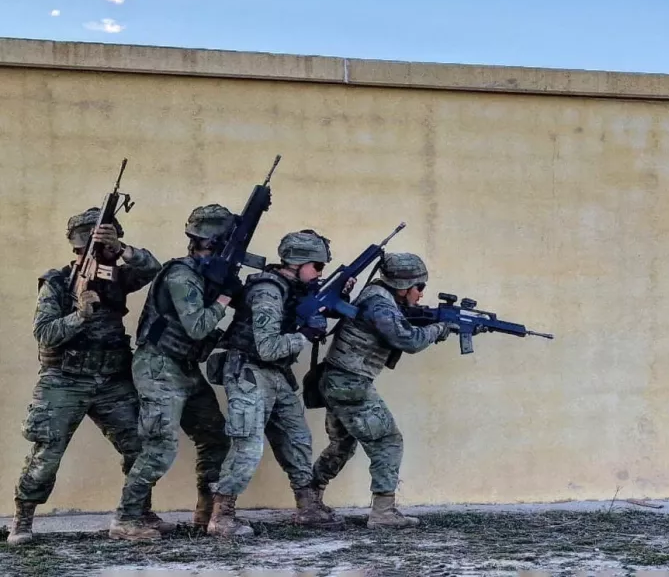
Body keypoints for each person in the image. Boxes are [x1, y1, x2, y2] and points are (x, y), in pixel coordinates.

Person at [8, 208, 167, 545]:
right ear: (79, 249)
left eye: (109, 247)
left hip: (111, 379)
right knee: (47, 453)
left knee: (140, 446)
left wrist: (124, 249)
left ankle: (138, 511)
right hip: (64, 380)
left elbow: (153, 269)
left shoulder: (118, 276)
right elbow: (44, 334)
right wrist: (78, 316)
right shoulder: (58, 283)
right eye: (95, 248)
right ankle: (22, 519)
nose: (102, 254)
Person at [207, 229, 349, 536]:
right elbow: (267, 346)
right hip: (249, 370)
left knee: (297, 438)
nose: (320, 272)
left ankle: (308, 506)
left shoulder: (294, 287)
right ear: (298, 262)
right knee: (248, 444)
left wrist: (337, 295)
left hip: (275, 373)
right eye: (318, 266)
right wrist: (305, 336)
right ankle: (222, 515)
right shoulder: (268, 290)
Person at [110, 204, 237, 541]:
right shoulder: (182, 275)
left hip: (184, 367)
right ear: (211, 242)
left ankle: (205, 512)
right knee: (159, 447)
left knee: (215, 436)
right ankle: (126, 518)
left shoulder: (203, 274)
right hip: (159, 366)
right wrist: (225, 297)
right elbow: (197, 326)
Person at [310, 252, 454, 528]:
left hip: (339, 380)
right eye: (419, 287)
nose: (422, 293)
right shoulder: (381, 305)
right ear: (403, 287)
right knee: (388, 441)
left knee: (342, 444)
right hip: (350, 384)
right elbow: (408, 341)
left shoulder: (378, 294)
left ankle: (310, 499)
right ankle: (383, 513)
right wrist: (439, 329)